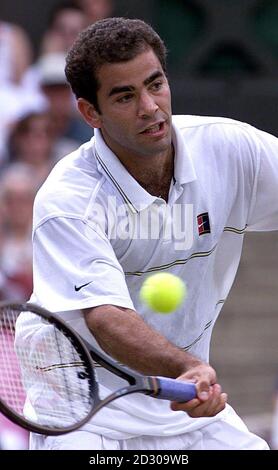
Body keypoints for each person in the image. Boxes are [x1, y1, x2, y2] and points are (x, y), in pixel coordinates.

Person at [23, 17, 277, 450]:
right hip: (84, 415)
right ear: (90, 113)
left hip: (182, 413)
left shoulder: (230, 148)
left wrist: (184, 372)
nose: (150, 107)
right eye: (125, 96)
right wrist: (186, 367)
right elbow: (106, 319)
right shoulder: (68, 200)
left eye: (155, 84)